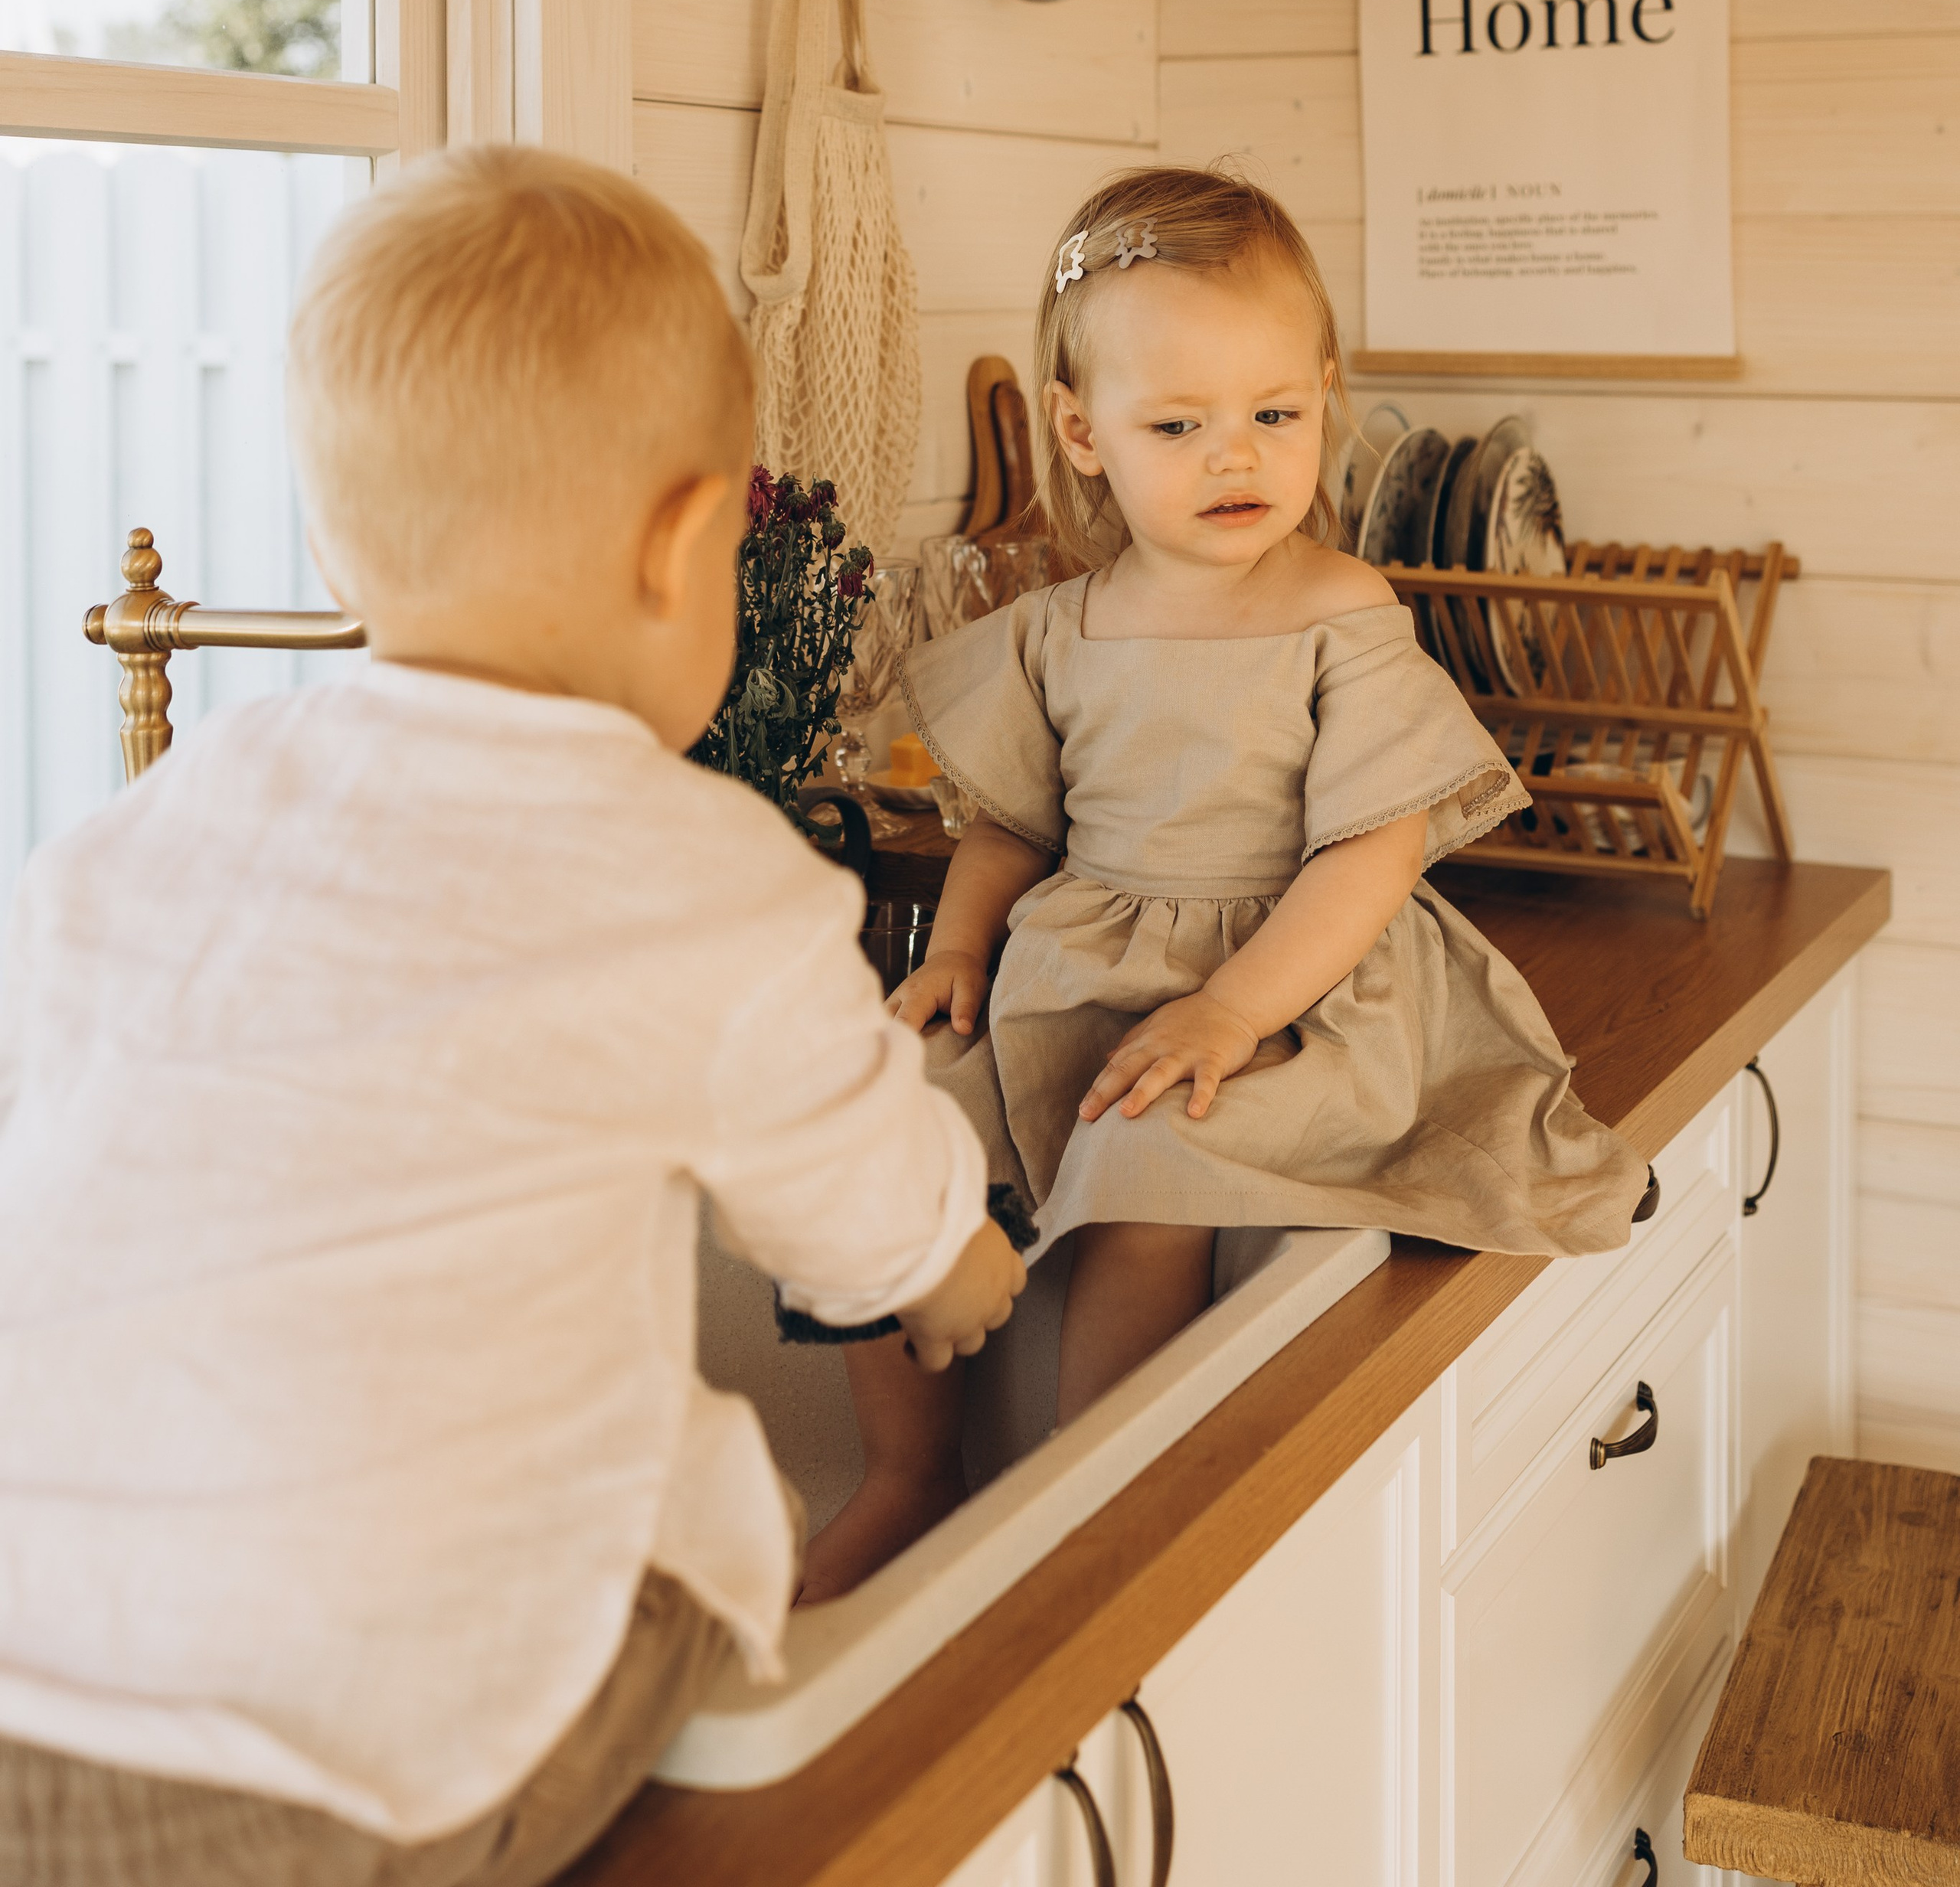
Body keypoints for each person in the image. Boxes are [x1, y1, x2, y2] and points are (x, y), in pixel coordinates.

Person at [0, 148, 1022, 1887]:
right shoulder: (698, 873)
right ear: (688, 543)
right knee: (720, 1523)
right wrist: (962, 1274)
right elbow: (872, 1213)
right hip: (367, 1762)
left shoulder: (140, 833)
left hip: (35, 1712)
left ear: (337, 534)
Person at [799, 165, 1647, 1604]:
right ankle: (906, 1475)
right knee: (885, 1136)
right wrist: (955, 951)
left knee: (1149, 1165)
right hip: (1090, 956)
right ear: (1083, 435)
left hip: (1296, 974)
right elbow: (1012, 822)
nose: (1235, 455)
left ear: (1323, 394)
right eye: (1177, 426)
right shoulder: (1060, 625)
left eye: (1274, 415)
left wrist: (1231, 1012)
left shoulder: (1338, 612)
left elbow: (1370, 848)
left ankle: (1096, 1497)